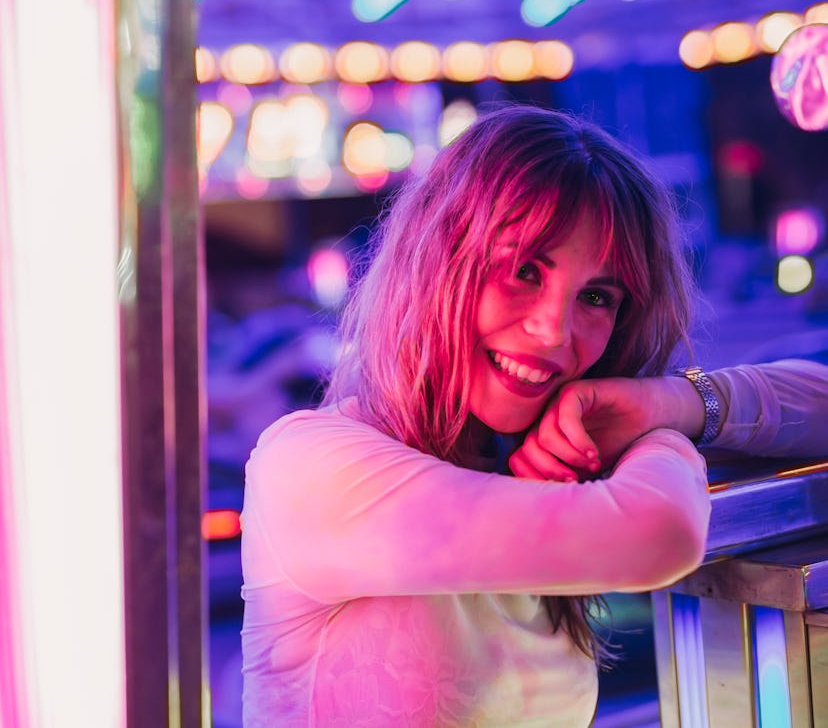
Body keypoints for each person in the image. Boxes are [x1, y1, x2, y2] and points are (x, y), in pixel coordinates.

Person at [239, 105, 828, 727]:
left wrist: (667, 400)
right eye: (524, 270)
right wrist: (660, 429)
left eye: (597, 297)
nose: (553, 330)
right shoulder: (312, 466)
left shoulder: (530, 463)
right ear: (438, 264)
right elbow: (659, 538)